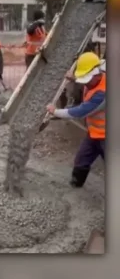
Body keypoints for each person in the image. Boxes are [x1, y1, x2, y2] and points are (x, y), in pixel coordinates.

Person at [46, 52, 106, 188]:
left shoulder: (102, 94)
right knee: (81, 160)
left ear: (97, 74)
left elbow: (80, 111)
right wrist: (73, 78)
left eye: (87, 78)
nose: (86, 82)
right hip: (93, 134)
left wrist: (55, 111)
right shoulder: (94, 80)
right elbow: (85, 81)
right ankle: (76, 182)